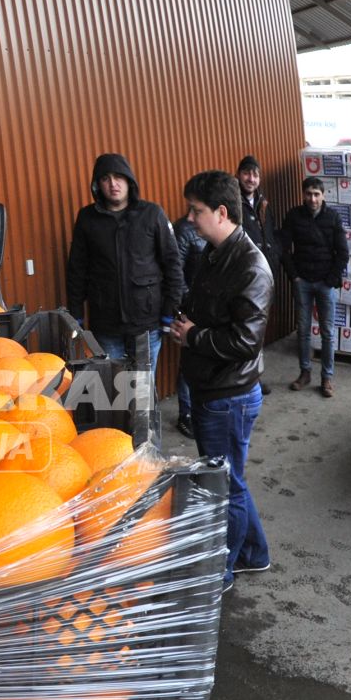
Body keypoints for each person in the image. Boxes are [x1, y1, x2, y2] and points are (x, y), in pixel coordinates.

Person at [168, 170, 273, 589]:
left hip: (228, 395)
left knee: (225, 486)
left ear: (222, 212)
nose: (190, 218)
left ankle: (223, 571)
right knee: (232, 480)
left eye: (197, 211)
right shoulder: (216, 252)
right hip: (211, 387)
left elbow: (246, 341)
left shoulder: (251, 266)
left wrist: (194, 336)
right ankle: (254, 553)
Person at [64, 152, 182, 384]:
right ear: (97, 185)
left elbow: (173, 264)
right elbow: (76, 270)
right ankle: (118, 423)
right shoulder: (87, 218)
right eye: (105, 178)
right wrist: (75, 314)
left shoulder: (151, 214)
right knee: (115, 387)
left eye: (119, 177)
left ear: (129, 181)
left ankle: (148, 422)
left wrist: (170, 312)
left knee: (142, 390)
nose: (113, 184)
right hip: (106, 325)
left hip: (146, 324)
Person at [281, 175, 349, 397]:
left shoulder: (333, 217)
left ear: (323, 195)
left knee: (327, 332)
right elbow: (283, 248)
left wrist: (330, 279)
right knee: (303, 331)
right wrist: (294, 277)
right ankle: (305, 373)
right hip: (302, 282)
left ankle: (327, 378)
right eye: (309, 194)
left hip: (325, 284)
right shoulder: (293, 216)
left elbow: (343, 253)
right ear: (303, 195)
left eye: (317, 194)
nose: (312, 199)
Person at [236, 156, 278, 398]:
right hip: (245, 279)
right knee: (244, 332)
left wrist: (275, 254)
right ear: (239, 174)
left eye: (255, 174)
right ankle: (245, 382)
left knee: (258, 333)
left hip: (265, 278)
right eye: (246, 173)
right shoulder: (233, 202)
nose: (251, 179)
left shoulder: (262, 202)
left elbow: (269, 235)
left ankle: (255, 379)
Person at [171, 209, 208, 437]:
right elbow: (176, 272)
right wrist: (187, 305)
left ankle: (200, 409)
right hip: (190, 308)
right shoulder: (183, 230)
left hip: (210, 309)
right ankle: (185, 414)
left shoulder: (219, 232)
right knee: (188, 362)